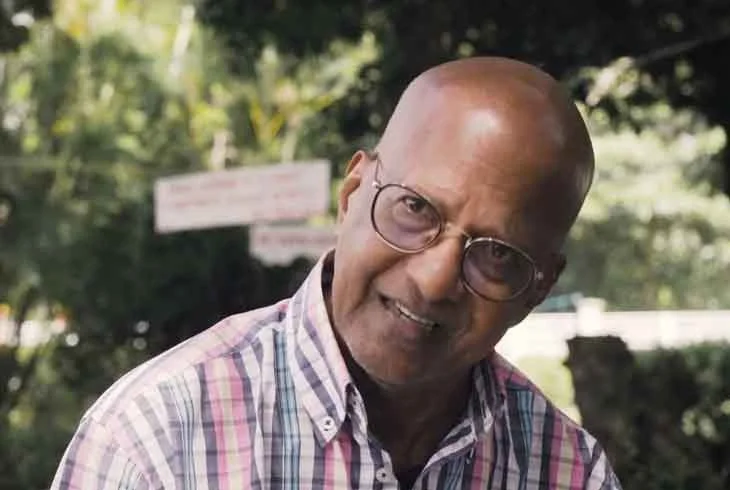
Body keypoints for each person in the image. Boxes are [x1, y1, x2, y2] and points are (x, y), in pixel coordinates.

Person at [51, 57, 621, 489]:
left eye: (496, 254)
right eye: (415, 209)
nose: (434, 280)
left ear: (538, 289)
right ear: (351, 195)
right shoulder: (157, 441)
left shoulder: (569, 472)